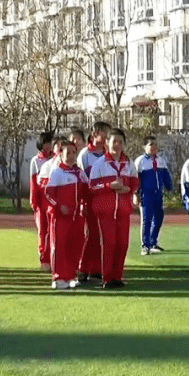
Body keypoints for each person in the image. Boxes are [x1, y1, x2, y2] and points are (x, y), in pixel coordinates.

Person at [88, 128, 139, 289]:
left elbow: (134, 183)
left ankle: (117, 276)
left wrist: (129, 190)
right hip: (106, 211)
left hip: (123, 211)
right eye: (114, 141)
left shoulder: (128, 164)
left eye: (120, 142)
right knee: (109, 244)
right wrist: (110, 186)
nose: (117, 145)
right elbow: (92, 187)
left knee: (122, 244)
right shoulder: (100, 164)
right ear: (107, 143)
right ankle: (107, 278)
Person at [45, 137, 90, 289]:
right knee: (60, 246)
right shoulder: (58, 172)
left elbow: (86, 193)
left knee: (75, 245)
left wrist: (84, 205)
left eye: (73, 152)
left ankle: (71, 275)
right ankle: (58, 277)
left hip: (77, 217)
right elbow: (49, 194)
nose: (71, 155)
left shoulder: (80, 173)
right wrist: (59, 207)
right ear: (60, 154)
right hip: (60, 217)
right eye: (67, 152)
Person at [78, 121, 112, 284]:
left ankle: (97, 269)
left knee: (103, 235)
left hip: (106, 198)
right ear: (95, 134)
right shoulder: (85, 154)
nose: (106, 136)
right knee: (91, 234)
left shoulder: (109, 153)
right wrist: (83, 202)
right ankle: (83, 268)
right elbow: (83, 180)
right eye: (104, 132)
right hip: (91, 198)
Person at [134, 136, 173, 255]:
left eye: (155, 144)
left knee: (159, 217)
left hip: (158, 194)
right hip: (146, 194)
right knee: (146, 220)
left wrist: (170, 188)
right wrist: (136, 194)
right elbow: (135, 179)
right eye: (151, 144)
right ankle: (145, 246)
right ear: (144, 147)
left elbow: (166, 176)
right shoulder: (140, 161)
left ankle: (153, 241)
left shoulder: (161, 160)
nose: (154, 147)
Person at [30, 131, 56, 271]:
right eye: (46, 142)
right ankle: (43, 258)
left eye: (50, 142)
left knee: (53, 230)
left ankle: (52, 257)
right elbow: (34, 182)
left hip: (53, 202)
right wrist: (34, 202)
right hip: (41, 202)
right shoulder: (36, 161)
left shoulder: (57, 160)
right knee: (43, 231)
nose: (48, 146)